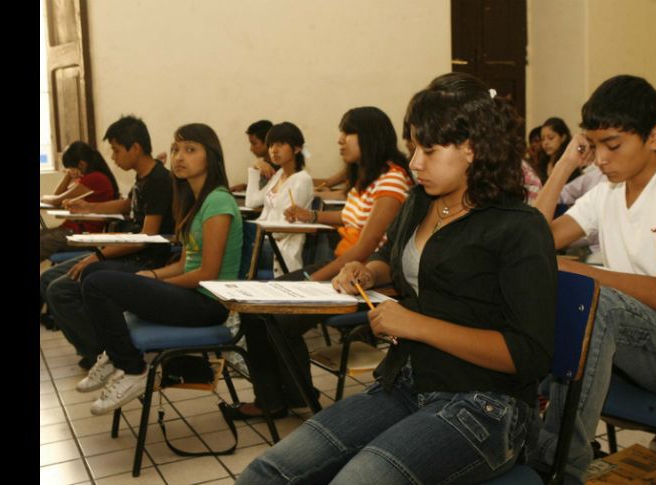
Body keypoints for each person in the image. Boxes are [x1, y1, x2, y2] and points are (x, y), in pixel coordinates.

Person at [237, 71, 557, 485]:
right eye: (412, 147)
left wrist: (417, 326)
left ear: (473, 148)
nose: (414, 162)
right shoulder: (422, 201)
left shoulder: (517, 227)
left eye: (429, 149)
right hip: (407, 381)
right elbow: (395, 256)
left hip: (485, 404)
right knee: (264, 474)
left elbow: (528, 354)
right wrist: (368, 271)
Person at [530, 75, 656, 483]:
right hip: (634, 342)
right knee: (540, 281)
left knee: (593, 299)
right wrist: (565, 163)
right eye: (594, 145)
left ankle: (558, 467)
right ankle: (518, 439)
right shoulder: (607, 192)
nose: (600, 158)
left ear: (654, 137)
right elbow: (534, 242)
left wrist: (581, 271)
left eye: (612, 145)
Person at [234, 106, 414, 419]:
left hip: (367, 276)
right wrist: (313, 216)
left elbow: (366, 247)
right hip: (343, 265)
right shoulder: (366, 179)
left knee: (279, 316)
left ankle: (298, 395)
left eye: (348, 133)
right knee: (256, 309)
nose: (340, 140)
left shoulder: (392, 181)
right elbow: (349, 218)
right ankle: (275, 399)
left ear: (370, 137)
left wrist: (312, 280)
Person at [77, 123, 242, 415]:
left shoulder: (218, 200)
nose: (179, 157)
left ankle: (131, 368)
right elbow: (183, 263)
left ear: (211, 157)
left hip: (209, 304)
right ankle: (116, 357)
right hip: (191, 294)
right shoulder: (193, 201)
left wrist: (158, 286)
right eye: (176, 149)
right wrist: (150, 277)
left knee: (97, 284)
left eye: (191, 150)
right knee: (93, 274)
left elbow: (207, 274)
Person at [41, 115, 175, 370]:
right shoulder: (143, 177)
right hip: (127, 251)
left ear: (134, 148)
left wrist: (98, 255)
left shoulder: (159, 181)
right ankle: (97, 351)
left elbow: (146, 238)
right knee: (48, 280)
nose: (112, 157)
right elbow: (128, 206)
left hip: (145, 258)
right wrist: (90, 207)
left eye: (115, 150)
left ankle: (106, 354)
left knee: (61, 290)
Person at [245, 122, 314, 275]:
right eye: (270, 145)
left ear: (296, 148)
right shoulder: (278, 175)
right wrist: (255, 169)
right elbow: (251, 202)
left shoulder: (302, 180)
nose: (274, 150)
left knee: (231, 242)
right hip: (264, 241)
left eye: (280, 144)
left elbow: (281, 231)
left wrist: (254, 232)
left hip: (280, 249)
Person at [40, 141, 120, 261]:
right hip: (73, 230)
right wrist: (68, 176)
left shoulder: (94, 178)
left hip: (80, 233)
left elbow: (55, 200)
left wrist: (42, 197)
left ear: (81, 164)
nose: (70, 170)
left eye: (70, 167)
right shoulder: (89, 179)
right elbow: (57, 196)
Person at [230, 120, 278, 192]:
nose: (251, 149)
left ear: (267, 142)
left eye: (254, 143)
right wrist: (245, 187)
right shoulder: (263, 164)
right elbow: (262, 189)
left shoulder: (281, 167)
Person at [537, 117, 582, 184]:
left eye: (550, 138)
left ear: (563, 138)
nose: (545, 143)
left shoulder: (570, 162)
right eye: (543, 139)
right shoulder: (543, 162)